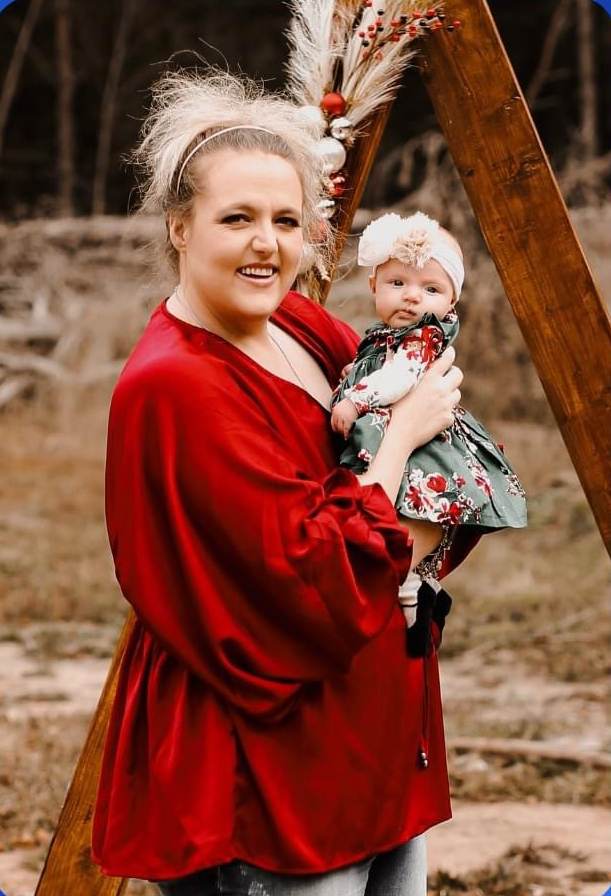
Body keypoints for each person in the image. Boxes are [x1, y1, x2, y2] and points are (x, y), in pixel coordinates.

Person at [91, 68, 478, 896]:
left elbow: (448, 477)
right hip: (272, 789)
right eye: (237, 219)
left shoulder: (300, 324)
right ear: (180, 229)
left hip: (369, 753)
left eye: (285, 220)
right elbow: (307, 581)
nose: (267, 243)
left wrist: (408, 473)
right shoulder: (175, 386)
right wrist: (401, 445)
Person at [331, 212, 527, 628]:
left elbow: (400, 377)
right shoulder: (384, 336)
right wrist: (356, 372)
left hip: (422, 439)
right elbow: (378, 366)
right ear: (374, 286)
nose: (412, 297)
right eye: (398, 283)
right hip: (397, 428)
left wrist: (355, 399)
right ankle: (418, 590)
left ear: (451, 302)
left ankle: (411, 591)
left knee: (411, 504)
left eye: (430, 288)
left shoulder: (424, 336)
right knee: (397, 502)